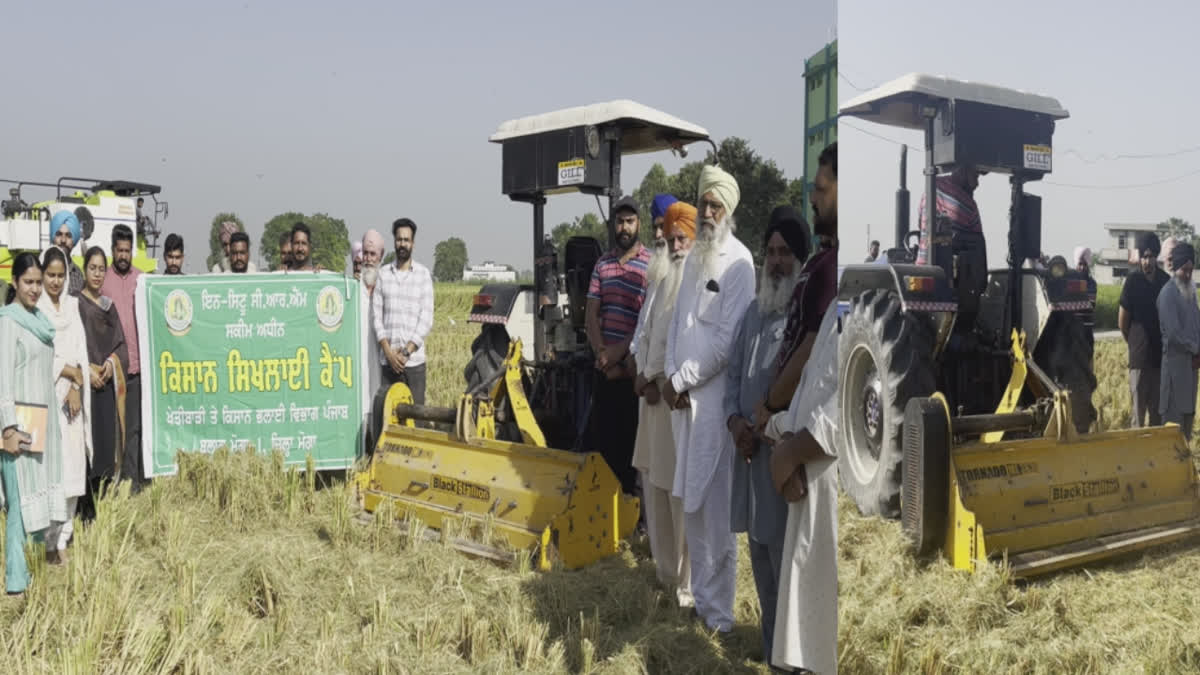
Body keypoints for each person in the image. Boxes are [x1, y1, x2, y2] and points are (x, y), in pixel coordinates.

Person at [662, 164, 755, 633]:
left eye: (715, 205)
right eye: (704, 204)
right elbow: (679, 324)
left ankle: (721, 619)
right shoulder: (696, 257)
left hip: (716, 408)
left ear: (729, 210)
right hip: (684, 408)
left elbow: (726, 345)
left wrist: (680, 382)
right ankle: (700, 605)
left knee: (716, 513)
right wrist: (669, 375)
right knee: (692, 509)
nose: (707, 212)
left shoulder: (740, 262)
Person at [725, 205, 809, 664]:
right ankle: (773, 658)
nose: (776, 261)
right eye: (771, 251)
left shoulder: (802, 323)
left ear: (799, 260)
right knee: (762, 574)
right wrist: (735, 423)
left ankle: (791, 661)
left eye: (785, 253)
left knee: (786, 573)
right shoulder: (753, 314)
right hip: (750, 463)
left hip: (783, 467)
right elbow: (734, 382)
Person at [762, 295, 840, 675]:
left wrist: (793, 451)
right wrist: (786, 439)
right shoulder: (842, 300)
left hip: (832, 479)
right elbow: (814, 381)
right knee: (804, 622)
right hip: (805, 471)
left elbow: (856, 399)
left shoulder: (875, 297)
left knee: (825, 630)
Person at [630, 201, 696, 610]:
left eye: (678, 237)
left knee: (677, 497)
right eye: (666, 235)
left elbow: (680, 341)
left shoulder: (691, 282)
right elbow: (643, 334)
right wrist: (640, 372)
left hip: (670, 402)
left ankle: (686, 586)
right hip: (648, 401)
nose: (670, 244)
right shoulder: (657, 280)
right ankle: (665, 574)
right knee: (654, 488)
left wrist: (654, 377)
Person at [0, 252, 67, 595]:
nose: (36, 289)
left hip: (40, 423)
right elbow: (3, 378)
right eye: (29, 282)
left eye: (39, 283)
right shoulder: (9, 321)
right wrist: (8, 428)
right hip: (17, 427)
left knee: (35, 504)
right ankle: (16, 581)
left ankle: (33, 571)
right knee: (18, 504)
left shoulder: (39, 320)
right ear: (14, 283)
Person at [759, 143, 839, 424]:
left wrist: (770, 404)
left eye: (820, 189)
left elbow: (810, 348)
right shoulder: (821, 262)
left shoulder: (834, 269)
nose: (812, 199)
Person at [585, 195, 651, 496]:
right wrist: (602, 355)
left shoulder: (650, 266)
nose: (624, 227)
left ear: (639, 224)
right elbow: (591, 315)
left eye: (629, 221)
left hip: (633, 372)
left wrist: (619, 356)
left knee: (634, 447)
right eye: (619, 222)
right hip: (606, 370)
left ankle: (632, 512)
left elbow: (647, 323)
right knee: (605, 443)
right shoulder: (603, 264)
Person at [38, 247, 91, 565]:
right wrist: (68, 372)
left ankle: (65, 538)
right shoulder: (36, 309)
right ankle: (48, 541)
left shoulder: (73, 306)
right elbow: (43, 353)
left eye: (60, 275)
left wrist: (76, 383)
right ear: (42, 275)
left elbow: (80, 349)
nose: (56, 282)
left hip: (73, 400)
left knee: (73, 470)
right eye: (50, 275)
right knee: (51, 473)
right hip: (47, 400)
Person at [77, 247, 128, 520]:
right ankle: (84, 511)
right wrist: (86, 369)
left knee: (106, 450)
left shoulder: (109, 307)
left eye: (101, 269)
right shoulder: (76, 304)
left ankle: (101, 508)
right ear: (84, 269)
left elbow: (120, 345)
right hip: (83, 388)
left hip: (106, 386)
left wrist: (109, 364)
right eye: (92, 268)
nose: (97, 274)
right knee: (86, 449)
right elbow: (71, 345)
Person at [371, 218, 434, 436]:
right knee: (388, 420)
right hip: (388, 364)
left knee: (416, 422)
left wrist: (406, 352)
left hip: (414, 364)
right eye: (399, 239)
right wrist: (389, 352)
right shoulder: (383, 275)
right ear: (394, 242)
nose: (402, 244)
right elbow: (376, 317)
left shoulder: (423, 275)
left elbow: (426, 319)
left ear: (413, 244)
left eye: (407, 240)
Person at [100, 225, 144, 490]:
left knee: (135, 429)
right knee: (115, 430)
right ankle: (111, 484)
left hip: (137, 369)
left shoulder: (142, 280)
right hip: (112, 369)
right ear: (113, 250)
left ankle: (133, 484)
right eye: (120, 250)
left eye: (128, 250)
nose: (124, 255)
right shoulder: (102, 281)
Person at [1119, 233, 1169, 427]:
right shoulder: (1132, 281)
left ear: (1156, 256)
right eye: (1144, 256)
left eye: (1151, 256)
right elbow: (1122, 322)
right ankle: (1138, 456)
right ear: (1139, 257)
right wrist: (1134, 343)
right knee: (1138, 416)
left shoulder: (1165, 282)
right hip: (1139, 360)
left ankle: (1155, 457)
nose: (1147, 261)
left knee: (1158, 415)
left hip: (1160, 361)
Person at [1157, 242, 1200, 441]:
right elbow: (1173, 334)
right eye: (1185, 270)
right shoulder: (1167, 294)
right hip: (1175, 370)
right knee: (1174, 430)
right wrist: (1195, 349)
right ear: (1176, 268)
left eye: (1191, 270)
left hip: (1191, 369)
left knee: (1188, 422)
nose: (1188, 275)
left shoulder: (1191, 293)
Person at [915, 165, 985, 267]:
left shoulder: (932, 186)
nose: (977, 184)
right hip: (950, 274)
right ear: (963, 170)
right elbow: (978, 246)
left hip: (922, 266)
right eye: (976, 176)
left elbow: (920, 223)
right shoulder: (968, 205)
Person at [361, 229, 387, 450]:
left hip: (381, 363)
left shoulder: (386, 287)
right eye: (366, 253)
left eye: (373, 254)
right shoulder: (352, 288)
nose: (368, 259)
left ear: (382, 255)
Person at [50, 210, 85, 295]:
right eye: (59, 234)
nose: (63, 240)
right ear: (53, 237)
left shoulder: (77, 274)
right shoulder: (41, 268)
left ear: (74, 240)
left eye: (68, 236)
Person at [1073, 246, 1098, 337]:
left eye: (1084, 264)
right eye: (1080, 264)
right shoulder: (1070, 280)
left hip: (1087, 326)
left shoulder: (1091, 283)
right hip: (1072, 327)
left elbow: (1090, 305)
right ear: (1076, 265)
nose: (1082, 267)